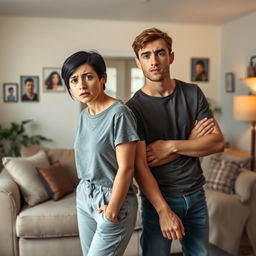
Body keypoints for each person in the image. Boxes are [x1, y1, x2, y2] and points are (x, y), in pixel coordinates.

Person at [126, 28, 225, 256]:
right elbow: (143, 166)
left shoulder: (192, 93)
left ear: (171, 56)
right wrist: (163, 211)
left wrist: (171, 146)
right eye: (146, 55)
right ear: (138, 62)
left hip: (196, 195)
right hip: (159, 201)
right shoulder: (132, 109)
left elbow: (217, 143)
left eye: (160, 53)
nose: (154, 61)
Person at [61, 51, 140, 256]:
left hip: (112, 199)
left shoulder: (119, 113)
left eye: (88, 77)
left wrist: (113, 207)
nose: (82, 85)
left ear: (102, 78)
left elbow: (127, 167)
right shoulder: (83, 116)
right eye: (74, 80)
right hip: (85, 195)